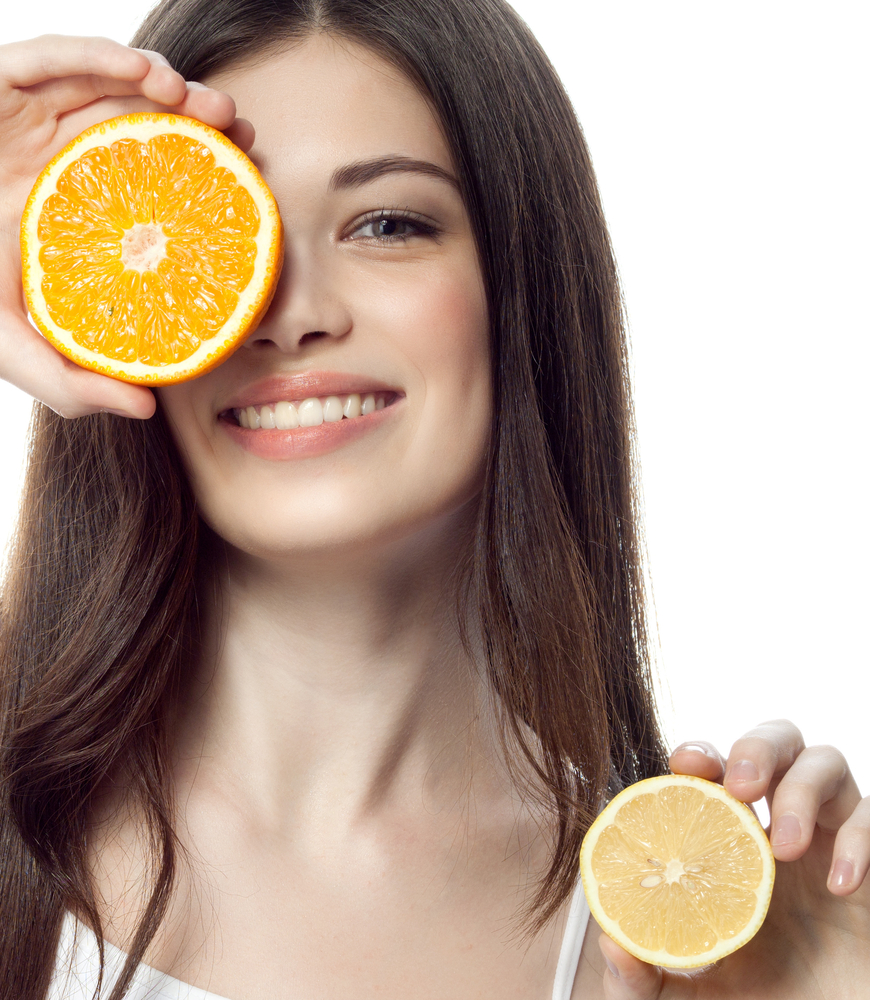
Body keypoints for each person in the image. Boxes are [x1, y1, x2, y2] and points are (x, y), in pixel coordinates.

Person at [0, 2, 867, 998]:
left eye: (388, 224)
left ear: (524, 286)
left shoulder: (676, 935)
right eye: (224, 236)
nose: (289, 315)